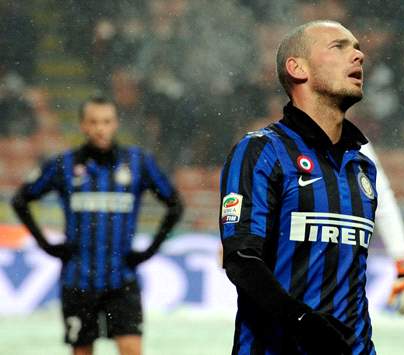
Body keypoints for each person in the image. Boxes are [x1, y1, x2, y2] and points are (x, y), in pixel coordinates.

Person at [220, 20, 377, 355]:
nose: (359, 55)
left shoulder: (362, 168)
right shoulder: (262, 151)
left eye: (357, 46)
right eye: (340, 46)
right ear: (297, 68)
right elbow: (242, 260)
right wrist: (303, 323)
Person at [11, 96, 184, 355]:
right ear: (82, 125)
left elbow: (175, 204)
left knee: (131, 349)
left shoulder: (138, 162)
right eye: (93, 122)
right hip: (77, 280)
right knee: (82, 352)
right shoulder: (64, 165)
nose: (100, 128)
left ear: (115, 124)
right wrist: (45, 244)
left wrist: (151, 249)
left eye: (106, 121)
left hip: (122, 280)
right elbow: (21, 200)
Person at [359, 142, 404, 314]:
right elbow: (383, 203)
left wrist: (403, 270)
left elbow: (382, 201)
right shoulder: (279, 141)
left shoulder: (356, 143)